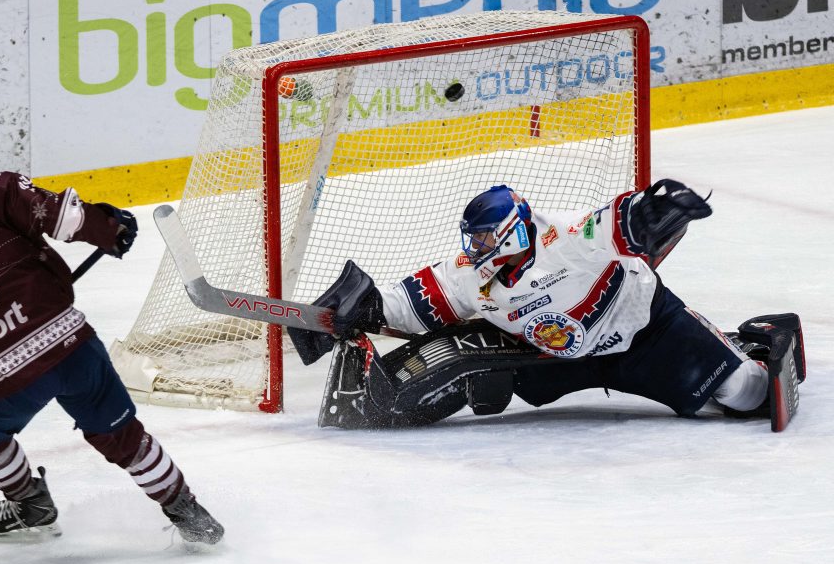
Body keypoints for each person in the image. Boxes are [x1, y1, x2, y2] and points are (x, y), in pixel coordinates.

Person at [0, 125, 224, 543]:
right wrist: (111, 227)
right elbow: (63, 217)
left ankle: (29, 502)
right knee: (120, 434)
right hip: (70, 346)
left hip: (0, 376)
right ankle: (189, 514)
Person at [289, 180, 805, 432]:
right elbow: (418, 300)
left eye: (485, 237)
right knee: (480, 370)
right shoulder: (473, 274)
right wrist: (367, 309)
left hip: (646, 333)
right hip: (558, 359)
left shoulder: (567, 239)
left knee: (746, 396)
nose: (476, 248)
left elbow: (614, 220)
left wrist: (650, 209)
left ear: (513, 231)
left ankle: (751, 345)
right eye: (473, 238)